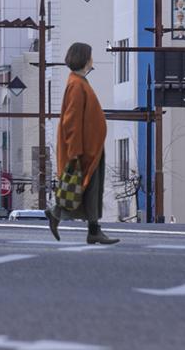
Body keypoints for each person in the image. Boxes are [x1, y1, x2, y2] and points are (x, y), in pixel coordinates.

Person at [48, 42, 118, 246]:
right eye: (90, 56)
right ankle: (89, 228)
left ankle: (88, 228)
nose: (92, 60)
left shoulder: (78, 82)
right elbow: (72, 120)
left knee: (85, 189)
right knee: (85, 187)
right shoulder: (77, 85)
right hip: (83, 150)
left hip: (90, 148)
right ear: (85, 59)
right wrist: (75, 151)